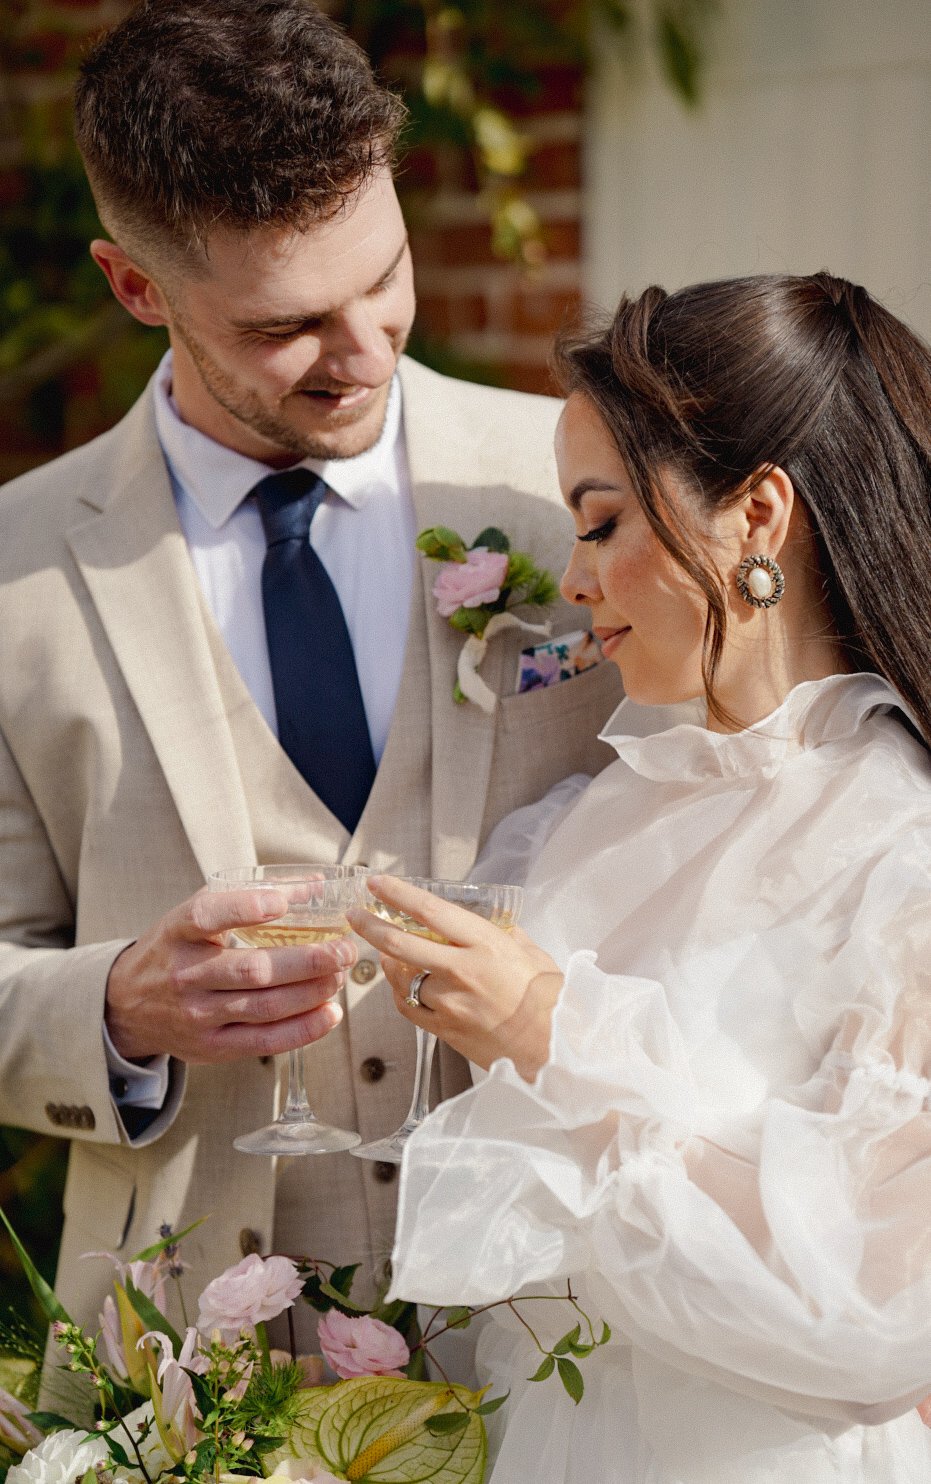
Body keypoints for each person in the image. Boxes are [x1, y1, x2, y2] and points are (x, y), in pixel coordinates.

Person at [0, 0, 622, 1353]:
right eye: (286, 324)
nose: (364, 350)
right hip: (181, 1370)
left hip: (561, 1335)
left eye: (383, 276)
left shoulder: (574, 492)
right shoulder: (16, 575)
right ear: (136, 289)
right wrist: (111, 1007)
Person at [350, 273, 931, 1482]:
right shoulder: (589, 818)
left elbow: (876, 1304)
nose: (573, 581)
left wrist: (550, 1033)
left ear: (757, 513)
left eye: (603, 522)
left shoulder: (899, 850)